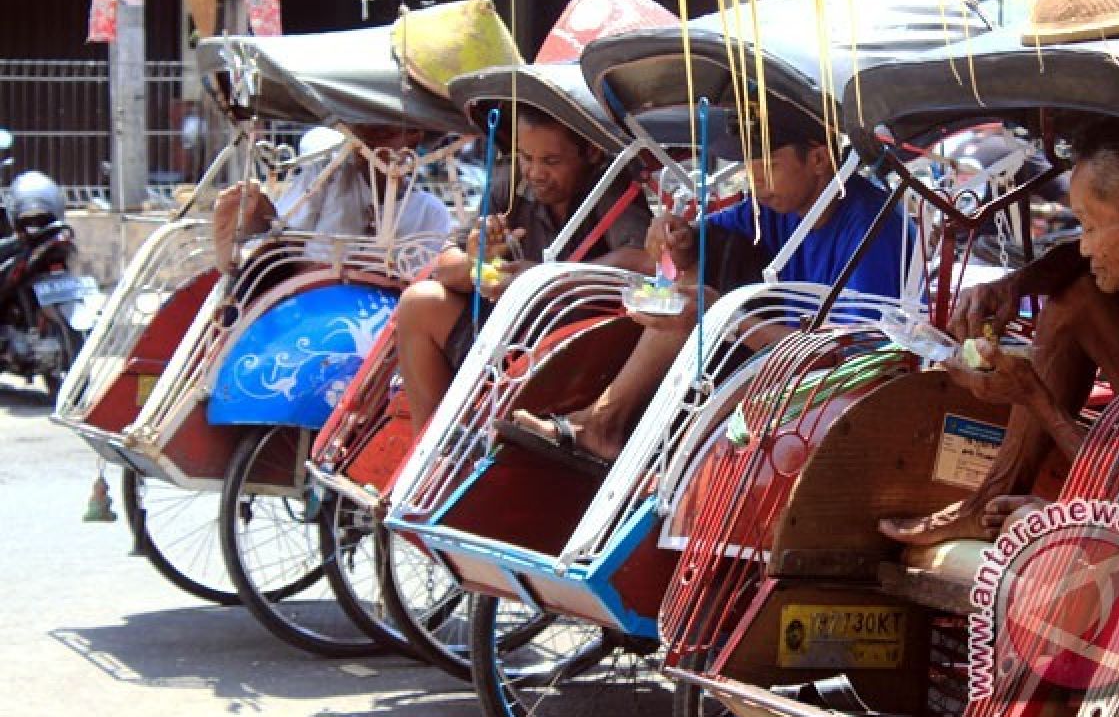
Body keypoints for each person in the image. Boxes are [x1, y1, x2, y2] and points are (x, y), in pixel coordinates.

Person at [508, 110, 915, 464]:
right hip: (779, 359)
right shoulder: (776, 207)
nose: (755, 181)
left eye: (767, 165)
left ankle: (615, 433)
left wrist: (726, 317)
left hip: (837, 385)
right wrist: (674, 237)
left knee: (701, 308)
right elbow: (694, 244)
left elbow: (850, 358)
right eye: (749, 167)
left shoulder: (877, 227)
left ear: (819, 159)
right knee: (688, 290)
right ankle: (604, 423)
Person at [880, 117, 1119, 545]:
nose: (1082, 245)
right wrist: (1015, 285)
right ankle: (989, 499)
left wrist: (1034, 398)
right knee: (1076, 296)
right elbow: (1074, 261)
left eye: (1088, 226)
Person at [393, 106, 652, 430]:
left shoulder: (610, 185)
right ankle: (428, 449)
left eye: (551, 161)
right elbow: (445, 263)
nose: (534, 172)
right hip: (512, 332)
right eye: (526, 157)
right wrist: (478, 264)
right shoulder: (509, 181)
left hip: (579, 344)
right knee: (420, 302)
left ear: (591, 152)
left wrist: (544, 277)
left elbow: (643, 259)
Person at [211, 125, 456, 273]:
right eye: (360, 134)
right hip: (307, 287)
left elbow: (422, 277)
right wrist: (263, 215)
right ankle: (240, 244)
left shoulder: (430, 211)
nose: (367, 145)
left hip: (382, 311)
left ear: (413, 137)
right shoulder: (328, 175)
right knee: (273, 252)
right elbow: (290, 242)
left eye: (383, 134)